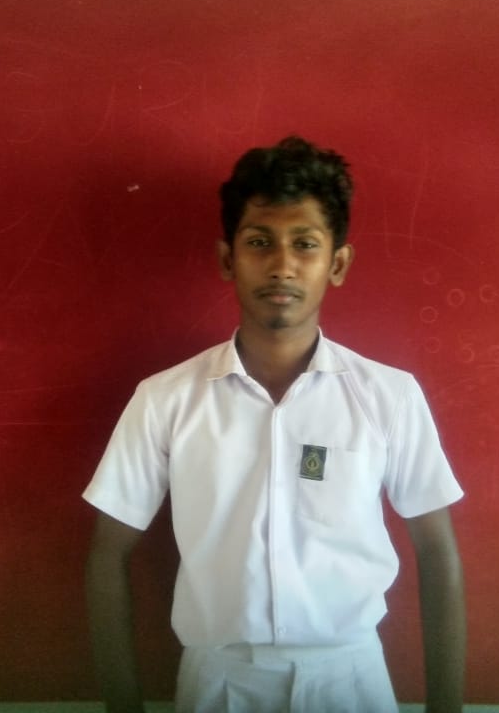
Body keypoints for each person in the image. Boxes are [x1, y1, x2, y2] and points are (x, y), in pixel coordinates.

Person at [83, 136, 465, 712]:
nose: (282, 265)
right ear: (227, 259)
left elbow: (436, 550)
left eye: (305, 244)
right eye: (259, 242)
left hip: (352, 679)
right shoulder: (165, 400)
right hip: (219, 681)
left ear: (337, 264)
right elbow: (107, 553)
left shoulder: (389, 396)